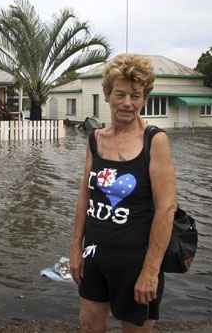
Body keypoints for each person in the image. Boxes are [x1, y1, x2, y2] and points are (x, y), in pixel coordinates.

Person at [70, 54, 177, 333]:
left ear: (144, 98)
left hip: (136, 260)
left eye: (136, 95)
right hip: (94, 254)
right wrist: (75, 249)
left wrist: (151, 271)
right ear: (107, 94)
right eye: (120, 94)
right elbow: (85, 196)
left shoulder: (155, 141)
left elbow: (166, 209)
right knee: (89, 325)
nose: (127, 103)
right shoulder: (95, 139)